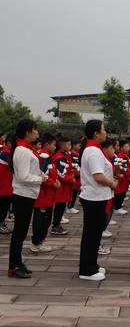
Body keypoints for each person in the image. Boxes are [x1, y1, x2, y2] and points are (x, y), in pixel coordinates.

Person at [8, 119, 48, 278]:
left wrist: (40, 175)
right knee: (19, 232)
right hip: (23, 194)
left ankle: (17, 262)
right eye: (35, 130)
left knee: (21, 231)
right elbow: (23, 176)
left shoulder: (25, 149)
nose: (37, 133)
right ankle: (14, 265)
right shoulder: (23, 151)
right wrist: (41, 179)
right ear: (27, 132)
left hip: (27, 194)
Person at [78, 120, 117, 281]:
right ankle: (87, 270)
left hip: (96, 196)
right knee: (91, 235)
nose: (105, 132)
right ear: (96, 133)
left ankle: (91, 264)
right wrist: (112, 183)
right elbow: (98, 176)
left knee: (93, 234)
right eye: (103, 129)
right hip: (94, 197)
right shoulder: (93, 151)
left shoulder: (94, 149)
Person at [31, 133, 60, 253]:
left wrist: (56, 181)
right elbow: (41, 174)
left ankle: (40, 240)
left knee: (46, 219)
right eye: (53, 145)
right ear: (47, 144)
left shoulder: (48, 156)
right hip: (43, 196)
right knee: (41, 220)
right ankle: (36, 243)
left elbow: (50, 173)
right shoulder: (43, 157)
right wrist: (52, 183)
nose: (55, 147)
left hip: (48, 195)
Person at [51, 136, 74, 235]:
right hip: (62, 188)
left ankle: (57, 224)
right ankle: (55, 226)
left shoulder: (64, 155)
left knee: (61, 207)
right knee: (59, 208)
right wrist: (71, 179)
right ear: (62, 145)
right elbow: (61, 174)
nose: (70, 146)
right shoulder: (60, 157)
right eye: (68, 145)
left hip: (64, 188)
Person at [0, 135, 14, 234]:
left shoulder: (7, 153)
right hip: (3, 187)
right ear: (9, 144)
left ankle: (2, 223)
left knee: (5, 207)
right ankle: (1, 224)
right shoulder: (5, 154)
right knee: (2, 208)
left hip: (6, 186)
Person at [66, 139, 81, 214]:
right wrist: (78, 173)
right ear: (74, 145)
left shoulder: (75, 153)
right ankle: (69, 207)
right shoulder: (73, 154)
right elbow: (75, 166)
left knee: (75, 192)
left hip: (77, 176)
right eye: (79, 145)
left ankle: (71, 206)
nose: (80, 147)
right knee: (73, 192)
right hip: (75, 176)